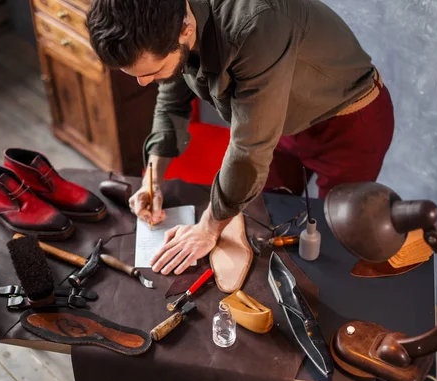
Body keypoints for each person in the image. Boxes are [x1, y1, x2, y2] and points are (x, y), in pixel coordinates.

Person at [86, 0, 394, 276]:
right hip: (281, 123)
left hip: (348, 122)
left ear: (185, 29)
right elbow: (171, 99)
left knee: (333, 233)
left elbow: (249, 149)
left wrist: (207, 228)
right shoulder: (170, 18)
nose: (143, 83)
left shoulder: (256, 23)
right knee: (264, 218)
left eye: (152, 71)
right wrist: (152, 179)